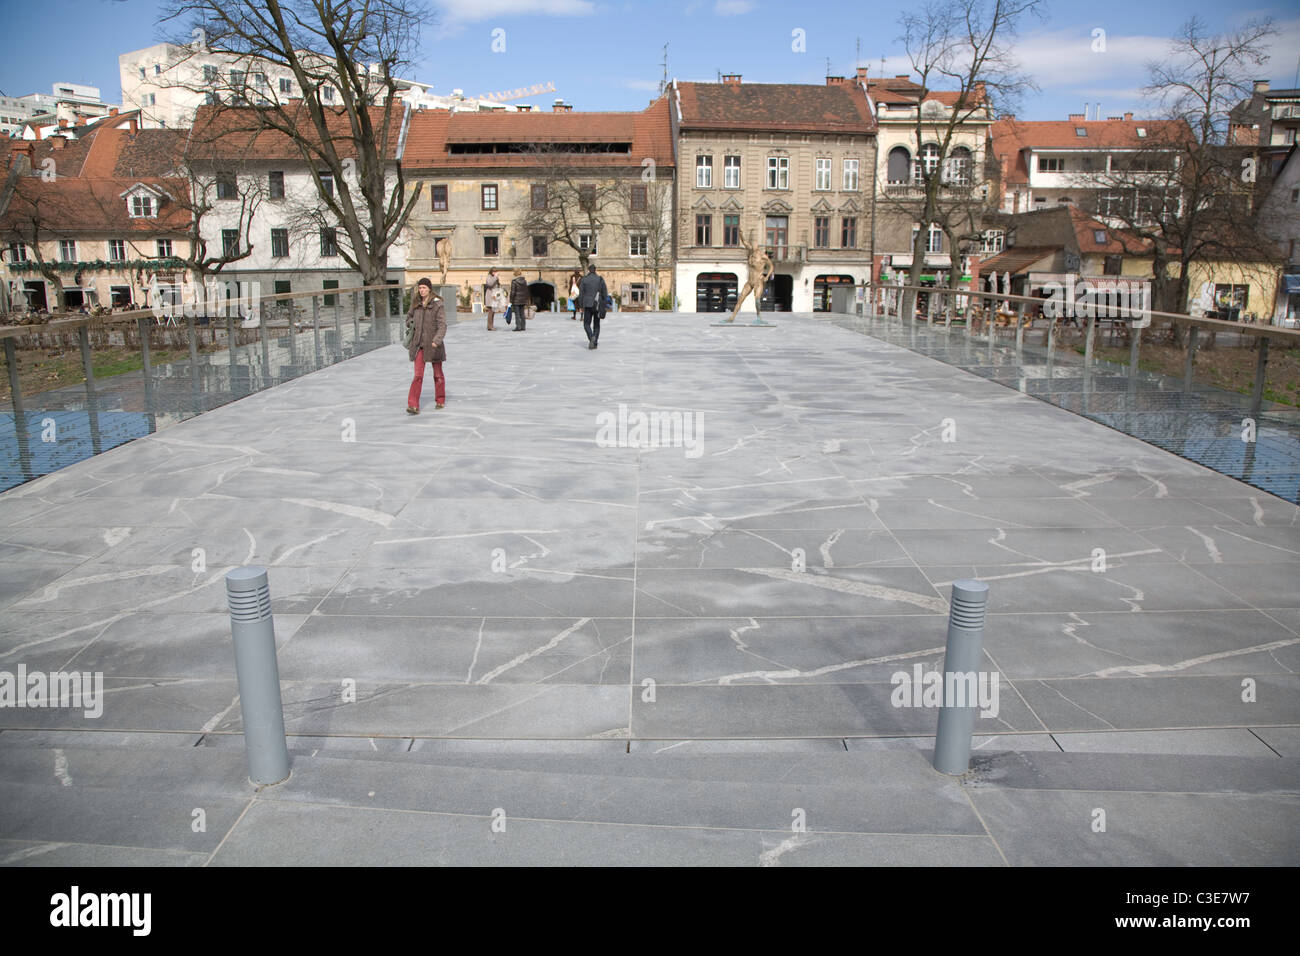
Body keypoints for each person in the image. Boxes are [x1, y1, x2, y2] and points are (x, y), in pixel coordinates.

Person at [406, 277, 446, 414]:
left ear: (429, 288)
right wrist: (410, 323)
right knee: (418, 375)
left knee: (438, 375)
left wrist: (437, 340)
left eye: (424, 288)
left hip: (433, 344)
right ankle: (413, 405)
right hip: (418, 344)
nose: (421, 290)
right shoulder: (416, 303)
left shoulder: (437, 304)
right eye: (420, 288)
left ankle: (440, 399)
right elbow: (409, 317)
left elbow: (442, 325)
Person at [578, 263, 608, 349]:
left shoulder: (584, 279)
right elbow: (605, 293)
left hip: (587, 305)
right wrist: (604, 304)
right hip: (597, 304)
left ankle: (591, 337)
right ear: (595, 270)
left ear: (588, 270)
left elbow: (581, 294)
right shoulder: (600, 279)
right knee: (596, 325)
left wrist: (580, 306)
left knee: (586, 324)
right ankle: (594, 341)